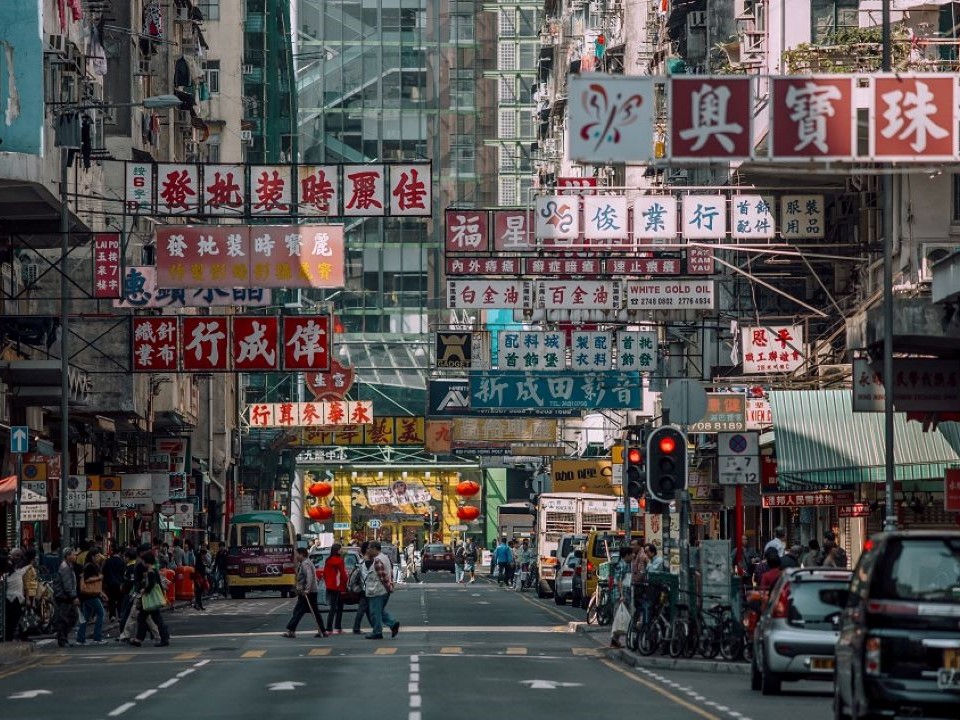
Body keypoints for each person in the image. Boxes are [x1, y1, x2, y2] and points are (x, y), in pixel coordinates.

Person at [283, 547, 327, 639]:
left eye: (297, 555)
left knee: (299, 611)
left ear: (301, 554)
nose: (296, 557)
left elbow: (309, 577)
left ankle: (291, 631)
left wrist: (307, 589)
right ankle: (322, 631)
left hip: (307, 592)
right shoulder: (306, 562)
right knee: (310, 611)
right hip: (309, 591)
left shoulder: (305, 563)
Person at [130, 552, 170, 647]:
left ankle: (163, 638)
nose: (142, 563)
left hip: (150, 599)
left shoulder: (150, 571)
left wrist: (144, 590)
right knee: (144, 618)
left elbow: (151, 584)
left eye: (143, 561)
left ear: (146, 562)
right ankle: (139, 639)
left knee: (154, 619)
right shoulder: (154, 570)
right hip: (152, 599)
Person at [361, 541, 398, 640]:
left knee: (374, 612)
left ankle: (377, 632)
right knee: (379, 610)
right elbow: (390, 572)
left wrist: (388, 588)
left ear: (374, 549)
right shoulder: (386, 557)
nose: (368, 550)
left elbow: (383, 577)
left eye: (369, 548)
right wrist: (391, 586)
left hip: (377, 589)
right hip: (383, 589)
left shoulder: (377, 560)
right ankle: (393, 623)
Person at [76, 551, 107, 645]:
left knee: (85, 617)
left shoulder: (90, 565)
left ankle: (80, 638)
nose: (98, 557)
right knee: (101, 613)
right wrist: (99, 578)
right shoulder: (90, 566)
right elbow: (87, 579)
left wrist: (101, 593)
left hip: (88, 595)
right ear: (92, 557)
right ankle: (97, 637)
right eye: (97, 556)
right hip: (90, 595)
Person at [53, 548, 81, 647]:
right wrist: (74, 597)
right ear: (68, 556)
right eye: (73, 554)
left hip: (67, 597)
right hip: (64, 597)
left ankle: (63, 637)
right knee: (63, 619)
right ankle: (62, 639)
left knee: (73, 617)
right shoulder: (65, 568)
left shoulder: (69, 566)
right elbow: (67, 585)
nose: (75, 556)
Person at [609, 545, 634, 648]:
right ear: (627, 555)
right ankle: (614, 640)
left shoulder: (626, 564)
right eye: (631, 554)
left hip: (624, 594)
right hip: (620, 595)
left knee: (621, 618)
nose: (633, 556)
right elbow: (618, 580)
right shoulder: (622, 565)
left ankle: (615, 640)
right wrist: (621, 595)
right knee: (618, 618)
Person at [3, 549, 27, 641]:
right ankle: (10, 637)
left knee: (10, 619)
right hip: (15, 598)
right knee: (14, 619)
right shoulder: (18, 572)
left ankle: (9, 636)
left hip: (9, 597)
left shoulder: (8, 573)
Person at [324, 543, 347, 634]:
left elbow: (325, 573)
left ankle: (331, 628)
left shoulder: (328, 560)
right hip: (338, 586)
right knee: (338, 607)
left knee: (334, 606)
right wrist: (346, 583)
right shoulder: (340, 560)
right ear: (337, 550)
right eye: (341, 549)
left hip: (330, 585)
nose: (342, 550)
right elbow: (343, 574)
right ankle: (334, 627)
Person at [352, 541, 374, 634]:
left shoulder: (361, 561)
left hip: (364, 587)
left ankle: (374, 626)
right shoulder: (368, 562)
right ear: (367, 550)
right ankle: (356, 628)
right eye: (370, 548)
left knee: (367, 609)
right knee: (363, 609)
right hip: (367, 588)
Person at [103, 545, 126, 622]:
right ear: (120, 553)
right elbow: (123, 574)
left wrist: (105, 582)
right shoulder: (121, 562)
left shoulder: (108, 561)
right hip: (119, 584)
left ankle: (112, 615)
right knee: (120, 600)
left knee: (111, 600)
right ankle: (119, 615)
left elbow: (104, 572)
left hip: (110, 584)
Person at [192, 545, 207, 611]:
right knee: (198, 592)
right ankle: (197, 605)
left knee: (199, 592)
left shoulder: (201, 560)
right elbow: (200, 569)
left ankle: (199, 605)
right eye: (204, 555)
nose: (204, 556)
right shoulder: (199, 561)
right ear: (201, 554)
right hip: (198, 578)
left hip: (200, 578)